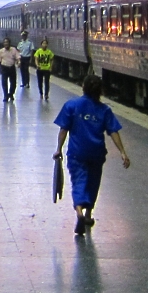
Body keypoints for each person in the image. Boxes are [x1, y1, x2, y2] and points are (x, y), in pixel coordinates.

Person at [52, 74, 130, 235]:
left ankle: (79, 212)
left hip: (77, 152)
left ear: (83, 87)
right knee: (93, 182)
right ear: (100, 90)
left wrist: (58, 149)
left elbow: (63, 130)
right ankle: (88, 215)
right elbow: (113, 131)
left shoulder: (72, 105)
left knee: (79, 181)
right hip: (97, 153)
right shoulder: (105, 110)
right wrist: (122, 152)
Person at [0, 37, 19, 102]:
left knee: (13, 83)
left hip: (11, 67)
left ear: (10, 43)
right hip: (4, 67)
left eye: (7, 42)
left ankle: (11, 93)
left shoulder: (13, 50)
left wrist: (19, 62)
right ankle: (5, 95)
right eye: (5, 42)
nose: (6, 44)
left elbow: (18, 57)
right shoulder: (1, 51)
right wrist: (0, 69)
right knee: (4, 83)